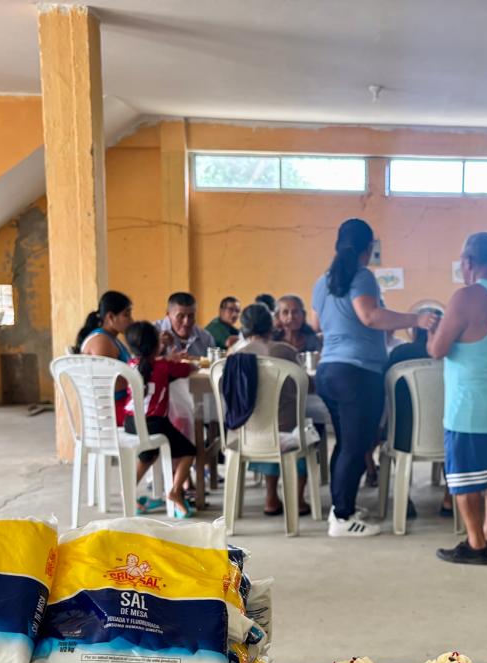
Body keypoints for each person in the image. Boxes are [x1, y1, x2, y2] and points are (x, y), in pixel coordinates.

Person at [312, 218, 422, 537]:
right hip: (357, 373)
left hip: (329, 370)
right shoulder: (362, 276)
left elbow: (316, 324)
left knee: (346, 444)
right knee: (356, 446)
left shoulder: (323, 281)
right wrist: (415, 319)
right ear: (370, 247)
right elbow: (370, 316)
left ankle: (341, 507)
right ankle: (342, 519)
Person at [426, 231, 487, 565]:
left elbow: (438, 349)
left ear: (467, 261)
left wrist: (431, 331)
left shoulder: (465, 297)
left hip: (468, 404)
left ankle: (476, 544)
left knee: (464, 478)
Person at [229, 303, 309, 517]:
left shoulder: (235, 356)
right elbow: (305, 384)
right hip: (287, 431)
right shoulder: (286, 351)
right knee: (302, 428)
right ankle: (298, 499)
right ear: (271, 325)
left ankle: (271, 497)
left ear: (243, 328)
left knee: (265, 424)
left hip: (249, 433)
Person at [122, 322, 196, 518]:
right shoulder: (164, 366)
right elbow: (187, 369)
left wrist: (167, 359)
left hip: (130, 423)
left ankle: (127, 491)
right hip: (154, 424)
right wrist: (181, 361)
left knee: (149, 454)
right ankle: (175, 491)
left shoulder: (130, 365)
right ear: (156, 345)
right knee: (189, 450)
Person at [75, 290, 134, 423]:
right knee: (156, 418)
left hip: (119, 404)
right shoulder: (102, 341)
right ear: (111, 317)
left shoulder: (111, 339)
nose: (131, 320)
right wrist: (138, 380)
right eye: (126, 315)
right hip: (110, 410)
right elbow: (107, 384)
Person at [156, 291, 215, 358]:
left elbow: (214, 363)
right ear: (168, 314)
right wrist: (160, 349)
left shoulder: (206, 338)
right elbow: (146, 362)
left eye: (191, 316)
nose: (186, 322)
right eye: (180, 316)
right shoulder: (152, 333)